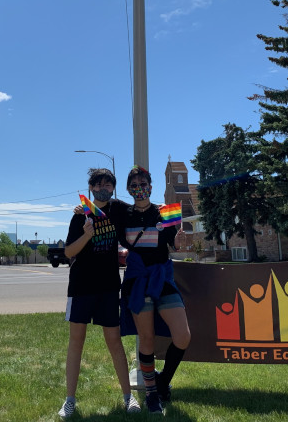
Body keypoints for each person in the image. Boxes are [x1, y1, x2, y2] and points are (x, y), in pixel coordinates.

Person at [58, 168, 141, 419]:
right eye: (98, 184)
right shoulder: (80, 215)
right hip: (81, 286)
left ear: (113, 187)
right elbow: (69, 253)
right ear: (91, 187)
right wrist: (86, 235)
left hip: (107, 287)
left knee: (114, 342)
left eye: (108, 183)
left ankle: (128, 397)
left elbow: (141, 209)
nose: (103, 187)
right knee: (76, 342)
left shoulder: (118, 209)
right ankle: (70, 400)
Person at [118, 165, 191, 415]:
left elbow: (174, 243)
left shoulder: (165, 213)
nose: (140, 189)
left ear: (151, 186)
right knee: (146, 339)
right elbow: (98, 212)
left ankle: (163, 380)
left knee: (183, 336)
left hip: (162, 279)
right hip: (137, 281)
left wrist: (178, 241)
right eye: (135, 186)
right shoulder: (123, 215)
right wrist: (80, 210)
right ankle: (151, 394)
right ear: (129, 189)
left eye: (143, 184)